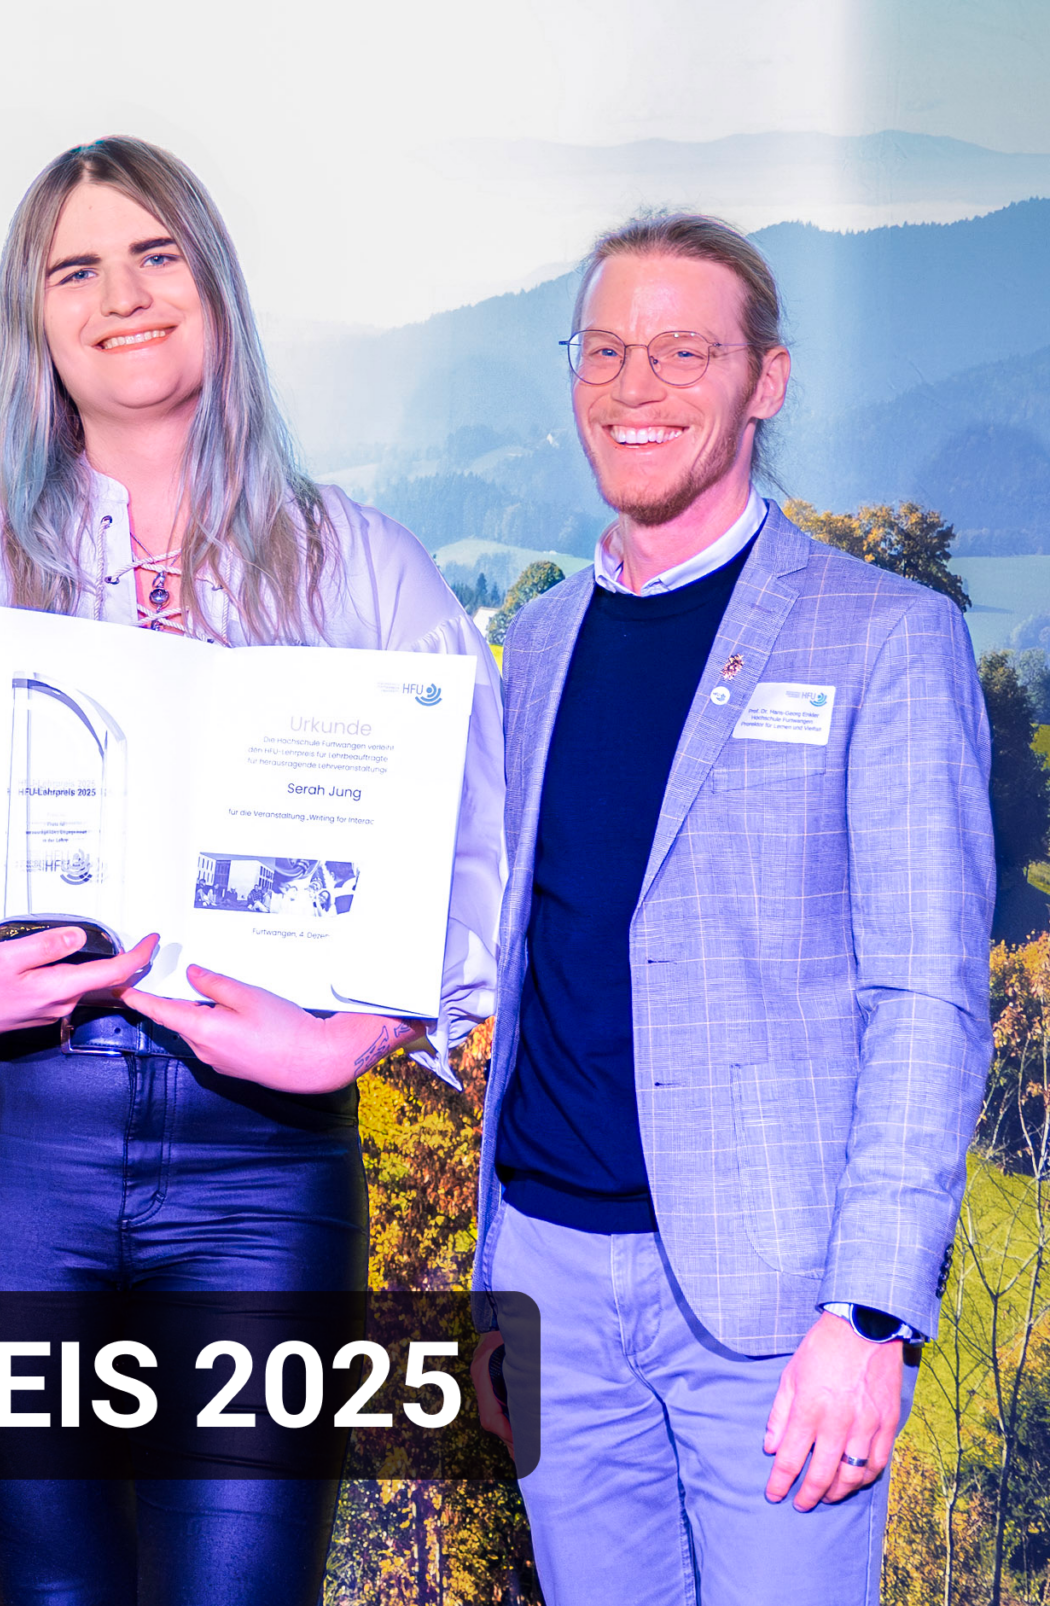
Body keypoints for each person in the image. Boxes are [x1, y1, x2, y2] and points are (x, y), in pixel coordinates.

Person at [0, 137, 505, 1603]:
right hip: (5, 1147)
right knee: (56, 1590)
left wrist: (356, 1036)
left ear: (217, 285)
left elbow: (473, 864)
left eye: (156, 255)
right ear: (35, 322)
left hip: (267, 1155)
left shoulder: (367, 568)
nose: (123, 296)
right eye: (75, 269)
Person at [468, 213, 990, 1602]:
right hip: (550, 1287)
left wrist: (870, 1313)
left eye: (683, 351)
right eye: (605, 350)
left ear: (767, 379)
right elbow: (519, 960)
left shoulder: (887, 637)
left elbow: (928, 1003)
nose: (635, 386)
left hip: (778, 1308)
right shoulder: (538, 642)